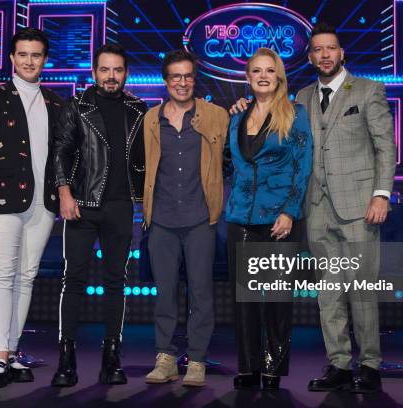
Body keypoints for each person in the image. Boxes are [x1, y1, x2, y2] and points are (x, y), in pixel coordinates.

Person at [233, 24, 396, 393]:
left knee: (361, 288)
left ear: (342, 54)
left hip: (359, 206)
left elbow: (386, 146)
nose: (325, 55)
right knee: (329, 291)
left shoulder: (369, 90)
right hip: (316, 207)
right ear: (310, 57)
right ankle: (339, 363)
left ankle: (369, 364)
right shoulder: (301, 97)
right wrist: (241, 106)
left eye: (331, 49)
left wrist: (381, 194)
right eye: (318, 50)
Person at [51, 43, 147, 386]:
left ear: (125, 73)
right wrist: (64, 192)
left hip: (122, 207)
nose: (111, 76)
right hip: (82, 205)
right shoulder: (76, 106)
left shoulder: (138, 108)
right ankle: (66, 359)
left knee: (115, 283)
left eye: (117, 70)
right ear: (94, 73)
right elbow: (60, 150)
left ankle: (111, 358)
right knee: (73, 280)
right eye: (104, 70)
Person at [0, 27, 63, 387]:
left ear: (44, 59)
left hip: (43, 203)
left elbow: (59, 155)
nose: (29, 61)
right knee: (0, 274)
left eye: (36, 55)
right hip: (4, 202)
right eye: (22, 54)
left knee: (26, 277)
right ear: (12, 58)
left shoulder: (56, 103)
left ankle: (12, 351)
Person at [226, 48, 313, 390]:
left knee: (276, 299)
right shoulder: (236, 116)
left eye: (270, 71)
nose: (263, 76)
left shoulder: (295, 114)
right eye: (256, 71)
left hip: (279, 217)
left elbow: (302, 167)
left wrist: (289, 211)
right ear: (247, 77)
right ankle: (248, 366)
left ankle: (272, 366)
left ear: (279, 77)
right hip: (240, 215)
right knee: (245, 298)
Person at [142, 49, 229, 388]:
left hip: (200, 219)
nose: (182, 82)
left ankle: (196, 360)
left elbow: (233, 155)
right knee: (165, 293)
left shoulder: (216, 116)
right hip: (161, 218)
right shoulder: (150, 119)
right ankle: (164, 357)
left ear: (195, 79)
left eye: (187, 76)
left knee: (201, 293)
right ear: (165, 81)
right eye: (175, 76)